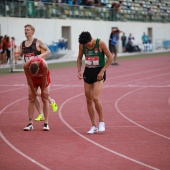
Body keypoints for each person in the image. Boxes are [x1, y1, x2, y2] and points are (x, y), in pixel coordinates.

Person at [77, 31, 113, 134]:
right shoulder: (82, 45)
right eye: (85, 46)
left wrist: (102, 71)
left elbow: (110, 57)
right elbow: (79, 58)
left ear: (90, 39)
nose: (86, 47)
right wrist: (79, 70)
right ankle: (93, 125)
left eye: (87, 44)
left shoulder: (100, 43)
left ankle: (101, 121)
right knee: (88, 99)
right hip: (88, 72)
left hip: (99, 72)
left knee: (95, 97)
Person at [16, 24, 52, 121]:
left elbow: (48, 51)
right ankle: (40, 113)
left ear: (32, 32)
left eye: (27, 30)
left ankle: (50, 102)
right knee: (32, 96)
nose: (25, 31)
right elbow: (20, 55)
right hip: (30, 73)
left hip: (40, 71)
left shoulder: (37, 41)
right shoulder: (22, 44)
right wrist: (17, 55)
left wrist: (39, 57)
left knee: (41, 94)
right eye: (25, 30)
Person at [23, 57, 57, 131]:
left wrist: (43, 91)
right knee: (31, 98)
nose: (35, 75)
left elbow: (44, 79)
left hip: (44, 79)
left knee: (44, 98)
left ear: (38, 69)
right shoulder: (26, 66)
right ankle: (30, 123)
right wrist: (33, 92)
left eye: (35, 74)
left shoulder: (44, 66)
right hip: (33, 81)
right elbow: (28, 79)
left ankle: (46, 123)